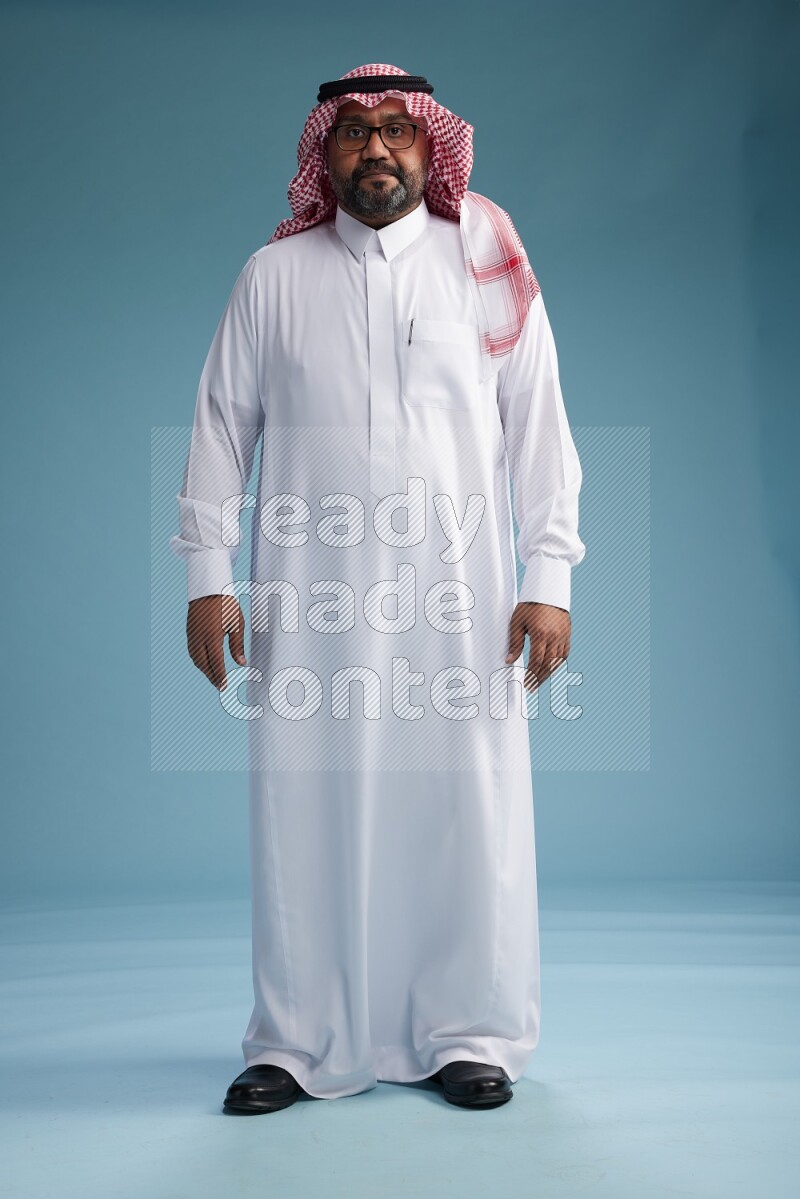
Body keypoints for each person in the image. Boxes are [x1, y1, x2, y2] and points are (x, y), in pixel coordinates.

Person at [170, 63, 585, 1113]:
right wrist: (206, 576)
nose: (376, 152)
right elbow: (222, 425)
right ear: (324, 151)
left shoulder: (481, 257)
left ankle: (470, 1030)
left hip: (461, 594)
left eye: (395, 132)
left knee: (465, 804)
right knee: (303, 802)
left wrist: (548, 576)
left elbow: (537, 423)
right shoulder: (273, 278)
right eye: (353, 134)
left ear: (426, 143)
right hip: (311, 601)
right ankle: (297, 1039)